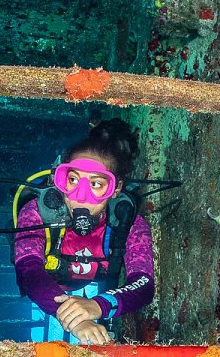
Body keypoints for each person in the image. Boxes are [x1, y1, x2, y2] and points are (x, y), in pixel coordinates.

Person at [13, 119, 155, 344]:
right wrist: (74, 319)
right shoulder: (36, 213)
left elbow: (144, 284)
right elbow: (28, 271)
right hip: (53, 284)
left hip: (81, 285)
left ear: (116, 188)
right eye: (73, 179)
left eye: (96, 184)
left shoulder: (129, 225)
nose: (80, 196)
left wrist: (98, 305)